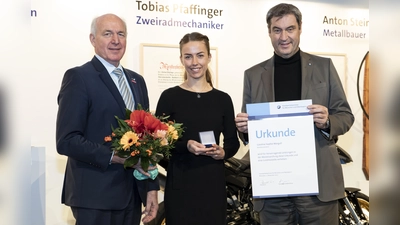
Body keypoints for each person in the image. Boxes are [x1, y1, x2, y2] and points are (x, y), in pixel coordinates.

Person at [235, 3, 354, 225]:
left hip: (317, 189)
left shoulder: (324, 67)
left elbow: (345, 115)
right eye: (277, 30)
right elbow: (249, 126)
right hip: (273, 190)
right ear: (269, 32)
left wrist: (328, 121)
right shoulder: (252, 75)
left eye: (290, 29)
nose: (284, 37)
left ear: (300, 29)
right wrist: (244, 128)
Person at [56, 14, 159, 225]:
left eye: (121, 34)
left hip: (131, 196)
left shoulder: (137, 81)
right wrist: (116, 157)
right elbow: (67, 140)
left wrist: (151, 189)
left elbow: (147, 142)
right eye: (107, 33)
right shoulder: (79, 77)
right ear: (93, 39)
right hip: (94, 197)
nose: (116, 40)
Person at [155, 32, 240, 225]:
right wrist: (186, 146)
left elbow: (232, 142)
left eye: (200, 55)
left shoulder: (223, 99)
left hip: (213, 185)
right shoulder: (169, 97)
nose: (195, 62)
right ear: (181, 59)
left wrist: (223, 152)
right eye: (188, 56)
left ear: (209, 57)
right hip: (180, 184)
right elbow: (159, 143)